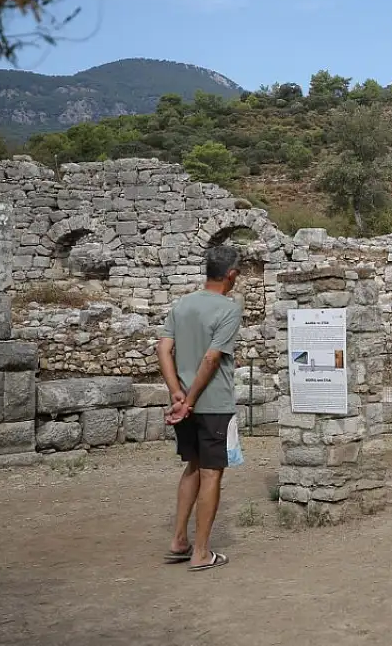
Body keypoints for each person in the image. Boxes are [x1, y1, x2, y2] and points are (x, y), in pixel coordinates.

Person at [156, 244, 242, 572]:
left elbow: (164, 350)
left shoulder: (182, 305)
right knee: (211, 473)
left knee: (192, 467)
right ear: (230, 275)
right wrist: (191, 399)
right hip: (212, 403)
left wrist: (176, 393)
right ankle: (202, 552)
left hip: (184, 404)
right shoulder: (228, 309)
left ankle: (179, 539)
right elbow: (211, 358)